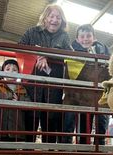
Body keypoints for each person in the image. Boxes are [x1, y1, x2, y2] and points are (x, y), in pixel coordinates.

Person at [18, 4, 72, 143]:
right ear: (45, 18)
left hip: (53, 85)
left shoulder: (64, 36)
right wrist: (37, 55)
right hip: (33, 84)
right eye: (51, 16)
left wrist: (48, 56)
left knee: (51, 117)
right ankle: (28, 151)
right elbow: (19, 48)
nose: (54, 20)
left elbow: (71, 55)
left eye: (58, 17)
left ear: (62, 20)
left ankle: (48, 153)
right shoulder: (32, 32)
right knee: (31, 116)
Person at [62, 24, 109, 144]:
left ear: (94, 38)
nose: (85, 39)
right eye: (82, 36)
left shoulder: (102, 49)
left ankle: (100, 148)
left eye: (88, 36)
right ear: (77, 39)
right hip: (79, 94)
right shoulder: (72, 51)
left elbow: (109, 65)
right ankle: (74, 148)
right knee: (79, 122)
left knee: (101, 121)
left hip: (99, 94)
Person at [0, 59, 31, 142]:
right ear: (2, 72)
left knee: (13, 151)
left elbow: (28, 102)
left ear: (18, 73)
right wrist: (10, 96)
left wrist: (19, 100)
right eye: (7, 69)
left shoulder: (22, 88)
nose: (11, 72)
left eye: (14, 70)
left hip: (17, 129)